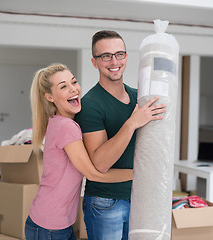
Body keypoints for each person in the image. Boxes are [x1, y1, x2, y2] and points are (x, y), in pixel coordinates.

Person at [74, 30, 166, 240]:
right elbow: (100, 163)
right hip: (106, 202)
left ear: (126, 57)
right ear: (94, 62)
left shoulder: (139, 97)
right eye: (105, 56)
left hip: (140, 196)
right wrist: (132, 123)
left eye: (120, 54)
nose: (114, 61)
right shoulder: (90, 104)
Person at [25, 63, 134, 240]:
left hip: (55, 222)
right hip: (49, 226)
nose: (73, 89)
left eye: (73, 82)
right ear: (49, 97)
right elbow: (94, 174)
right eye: (63, 86)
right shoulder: (67, 127)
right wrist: (137, 174)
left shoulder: (60, 120)